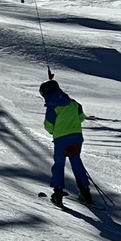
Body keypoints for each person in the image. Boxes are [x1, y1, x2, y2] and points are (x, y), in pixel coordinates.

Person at [40, 78, 93, 206]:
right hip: (76, 138)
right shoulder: (73, 103)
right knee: (76, 162)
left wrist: (56, 130)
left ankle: (58, 194)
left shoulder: (53, 107)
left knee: (59, 165)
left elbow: (48, 126)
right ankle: (85, 192)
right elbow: (81, 117)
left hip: (61, 140)